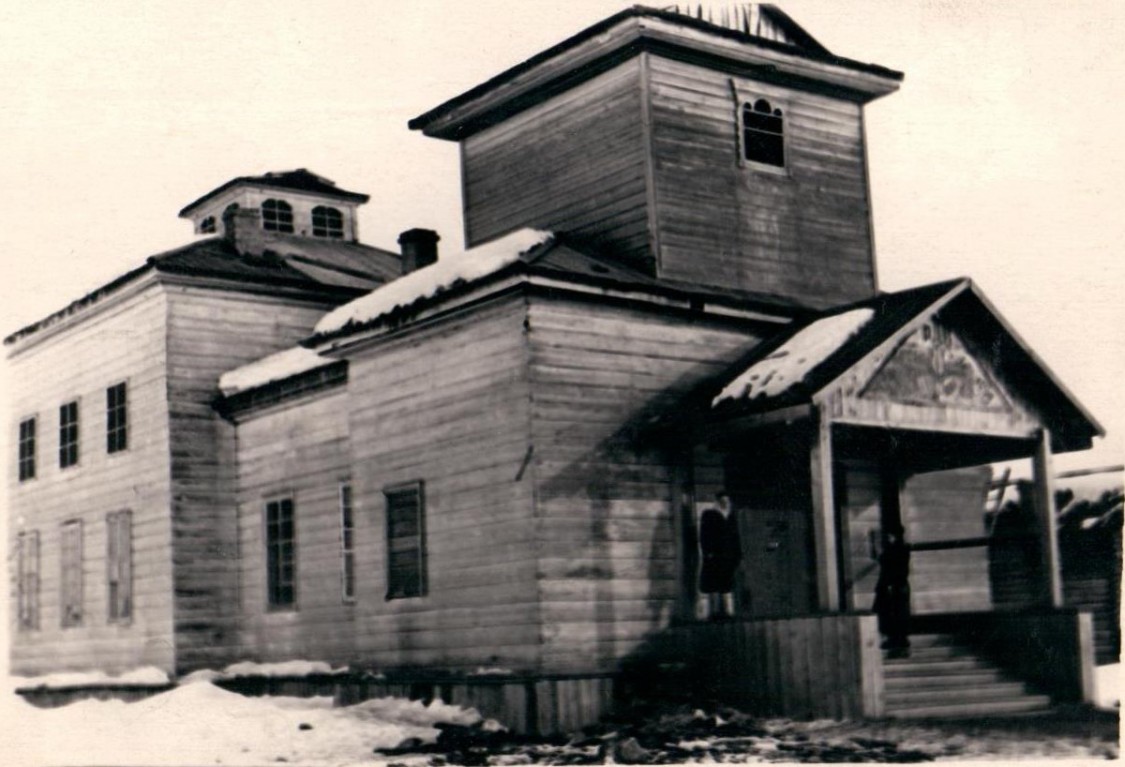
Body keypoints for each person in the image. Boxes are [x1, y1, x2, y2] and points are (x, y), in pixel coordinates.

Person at [698, 491, 741, 620]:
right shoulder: (709, 515)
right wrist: (708, 552)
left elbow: (736, 538)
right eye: (723, 501)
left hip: (728, 557)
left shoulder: (731, 517)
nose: (725, 503)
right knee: (713, 586)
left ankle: (728, 614)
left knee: (727, 587)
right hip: (715, 557)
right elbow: (704, 535)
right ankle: (714, 614)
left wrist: (738, 555)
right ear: (718, 501)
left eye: (727, 501)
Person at [873, 526, 911, 657]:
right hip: (894, 586)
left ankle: (897, 641)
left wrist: (890, 584)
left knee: (894, 613)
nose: (888, 538)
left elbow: (895, 569)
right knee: (894, 614)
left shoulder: (898, 550)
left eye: (890, 535)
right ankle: (896, 640)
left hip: (894, 586)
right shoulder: (898, 549)